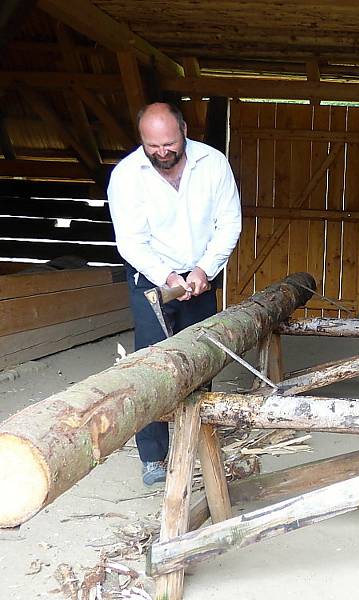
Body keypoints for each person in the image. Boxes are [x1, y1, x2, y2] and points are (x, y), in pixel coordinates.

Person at [108, 102, 242, 485]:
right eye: (153, 146)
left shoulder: (213, 164)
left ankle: (198, 438)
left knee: (202, 359)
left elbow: (229, 222)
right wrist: (167, 277)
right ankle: (153, 457)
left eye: (169, 143)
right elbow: (131, 242)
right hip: (153, 278)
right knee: (152, 366)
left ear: (183, 130)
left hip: (200, 271)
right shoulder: (126, 177)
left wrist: (204, 269)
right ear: (142, 141)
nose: (162, 152)